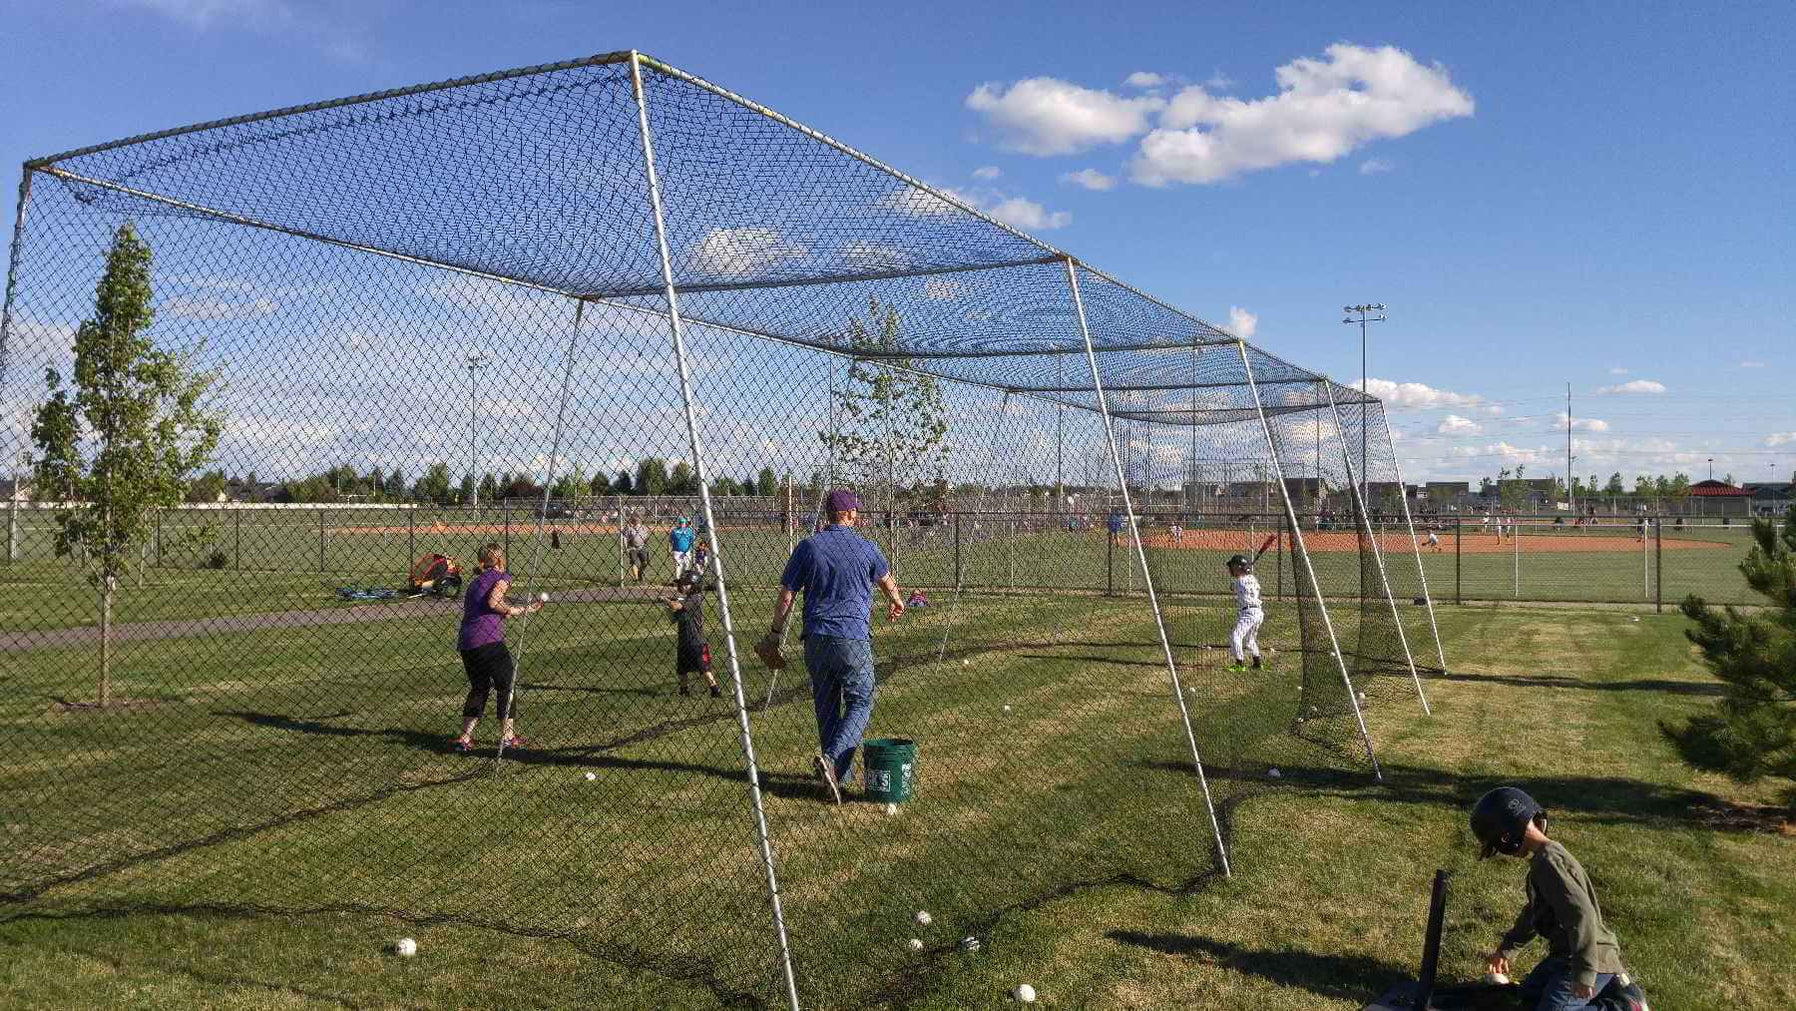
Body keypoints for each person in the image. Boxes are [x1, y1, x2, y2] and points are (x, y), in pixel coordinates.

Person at [763, 489, 905, 804]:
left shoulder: (808, 547)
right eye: (857, 511)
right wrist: (896, 600)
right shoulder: (867, 547)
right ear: (850, 514)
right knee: (861, 700)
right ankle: (831, 759)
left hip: (815, 639)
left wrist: (775, 633)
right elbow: (886, 580)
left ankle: (835, 781)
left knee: (826, 707)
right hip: (851, 637)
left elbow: (787, 594)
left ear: (829, 515)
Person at [1470, 787, 1650, 1011]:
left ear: (1507, 836)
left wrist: (1584, 973)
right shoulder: (1543, 861)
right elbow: (1534, 913)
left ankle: (1623, 1005)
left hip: (1588, 958)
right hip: (1564, 956)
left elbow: (1580, 913)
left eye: (1498, 845)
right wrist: (1508, 948)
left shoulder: (1548, 863)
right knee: (1527, 997)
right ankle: (1609, 987)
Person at [451, 543, 542, 753]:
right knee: (506, 685)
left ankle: (464, 738)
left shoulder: (475, 583)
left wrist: (505, 610)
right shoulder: (503, 577)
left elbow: (485, 608)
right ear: (500, 560)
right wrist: (523, 610)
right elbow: (493, 602)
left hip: (468, 643)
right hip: (489, 641)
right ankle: (508, 737)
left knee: (479, 688)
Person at [665, 569, 721, 698]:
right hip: (684, 640)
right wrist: (669, 606)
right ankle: (684, 690)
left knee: (704, 668)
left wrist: (667, 601)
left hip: (696, 641)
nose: (682, 586)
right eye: (681, 583)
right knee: (682, 669)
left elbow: (676, 606)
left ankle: (715, 690)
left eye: (686, 583)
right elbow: (673, 618)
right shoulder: (685, 599)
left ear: (695, 585)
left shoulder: (695, 598)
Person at [1225, 553, 1264, 672]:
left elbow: (1232, 587)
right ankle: (1257, 663)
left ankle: (1239, 663)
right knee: (1250, 640)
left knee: (1235, 636)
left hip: (1248, 613)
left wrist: (1239, 577)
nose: (1230, 569)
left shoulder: (1238, 582)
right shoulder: (1253, 579)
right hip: (1258, 612)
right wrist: (1242, 574)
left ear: (1238, 568)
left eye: (1232, 566)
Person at [622, 514, 651, 582]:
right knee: (633, 563)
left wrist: (646, 544)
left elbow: (646, 537)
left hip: (642, 547)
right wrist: (626, 548)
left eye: (638, 520)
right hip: (632, 548)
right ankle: (636, 579)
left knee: (645, 563)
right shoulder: (629, 529)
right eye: (635, 520)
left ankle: (639, 572)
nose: (637, 521)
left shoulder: (643, 528)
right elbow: (625, 538)